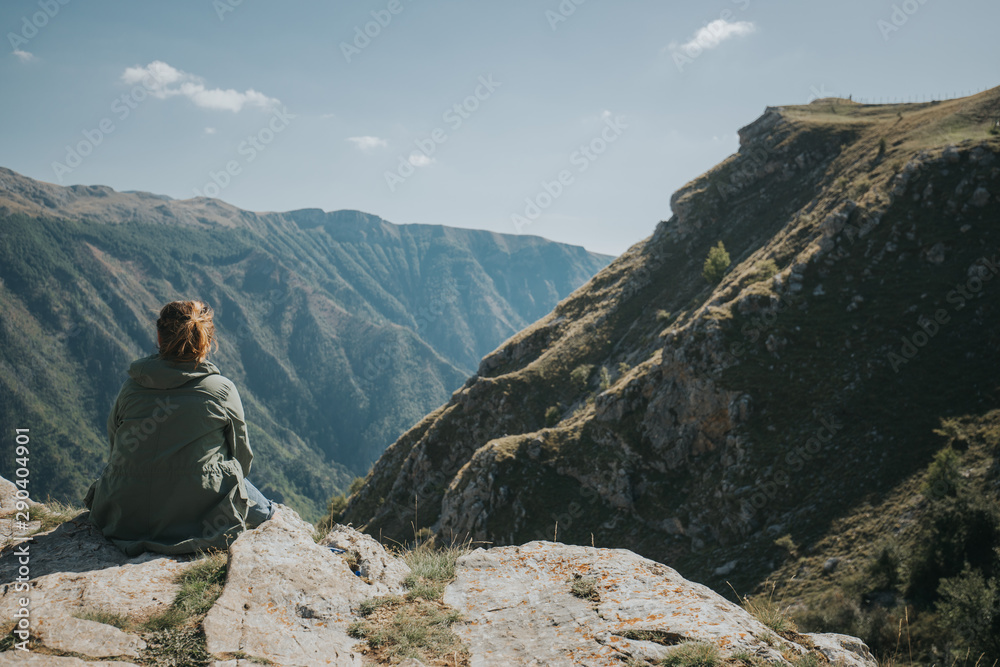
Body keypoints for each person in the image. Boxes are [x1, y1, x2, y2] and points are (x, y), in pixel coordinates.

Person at [85, 300, 275, 556]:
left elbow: (115, 448)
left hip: (124, 516)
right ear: (206, 341)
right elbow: (242, 461)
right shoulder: (221, 390)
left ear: (159, 337)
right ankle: (275, 518)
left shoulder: (131, 388)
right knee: (266, 511)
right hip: (198, 517)